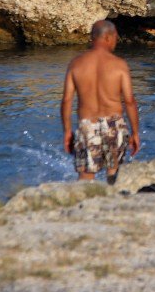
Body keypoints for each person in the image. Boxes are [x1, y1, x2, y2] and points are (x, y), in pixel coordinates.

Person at [60, 20, 141, 184]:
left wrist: (67, 131)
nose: (116, 41)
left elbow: (67, 100)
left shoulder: (76, 64)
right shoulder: (119, 65)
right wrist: (135, 132)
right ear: (108, 37)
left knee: (85, 177)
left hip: (87, 125)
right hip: (114, 124)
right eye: (116, 37)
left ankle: (85, 206)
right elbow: (130, 101)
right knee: (114, 174)